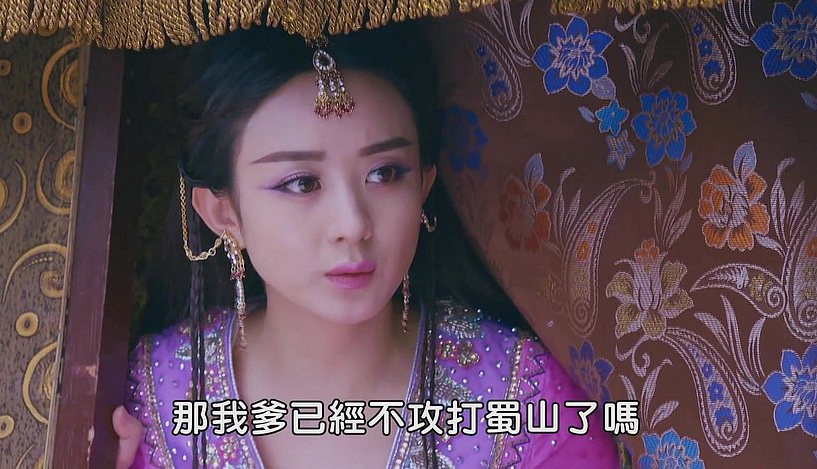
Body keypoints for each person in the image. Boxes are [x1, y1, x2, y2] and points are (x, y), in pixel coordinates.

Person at [113, 21, 622, 469]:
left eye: (385, 173)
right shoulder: (147, 403)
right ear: (223, 213)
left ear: (423, 186)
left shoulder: (530, 405)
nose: (352, 224)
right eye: (301, 183)